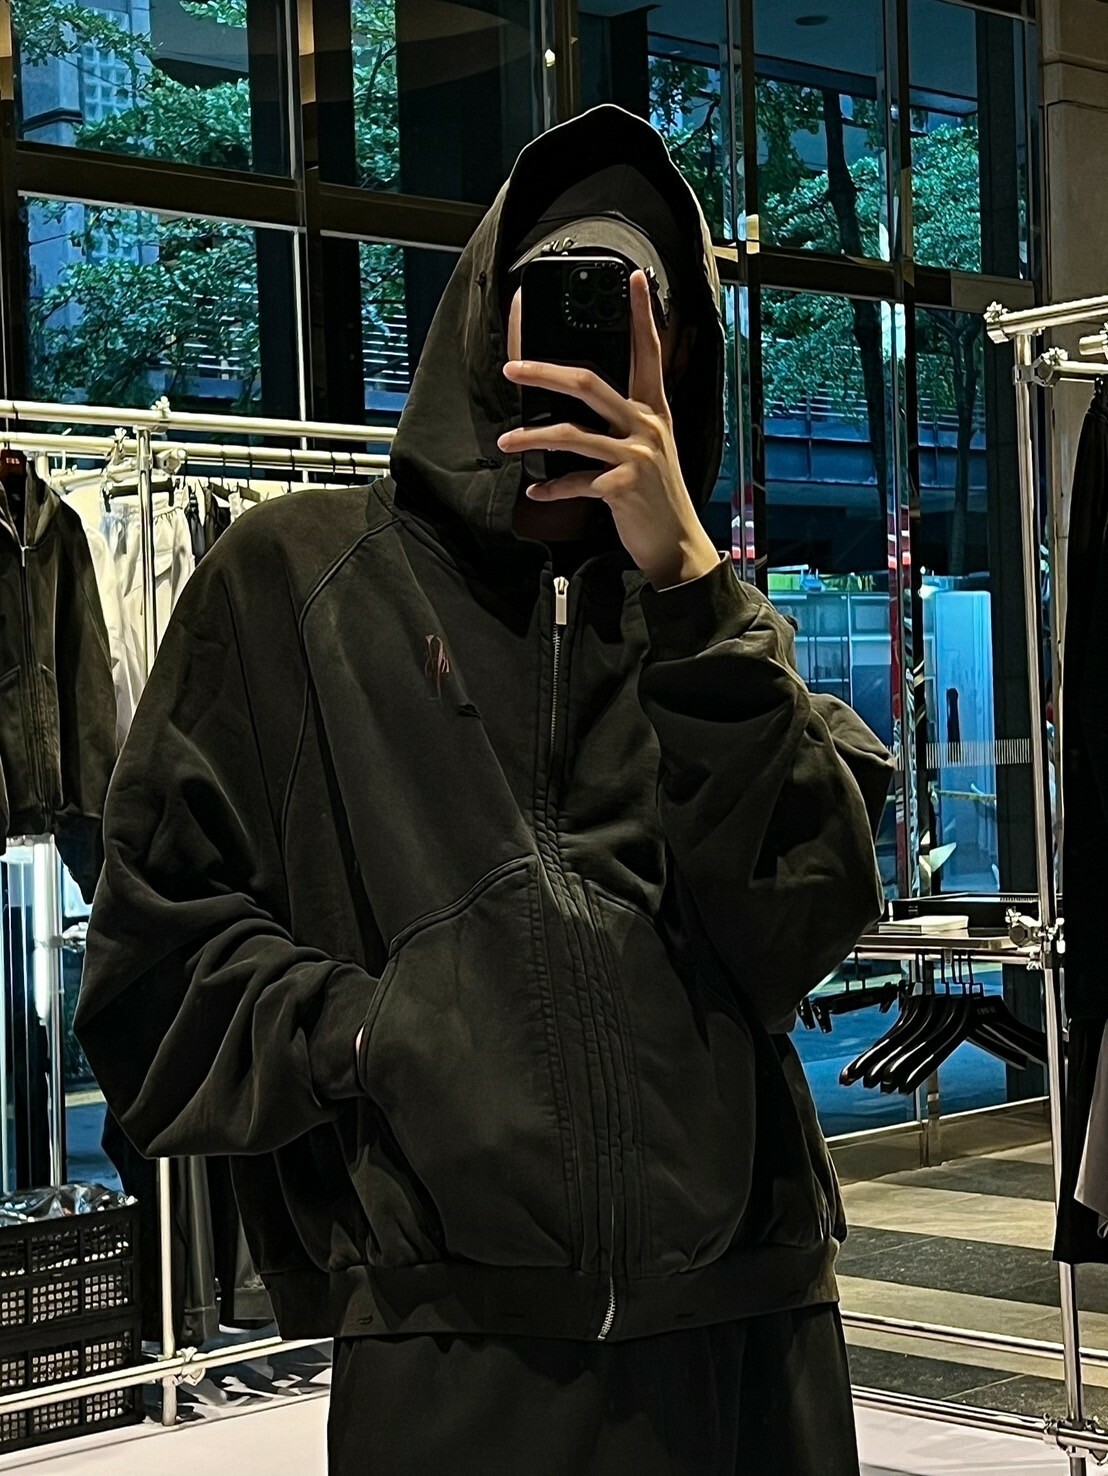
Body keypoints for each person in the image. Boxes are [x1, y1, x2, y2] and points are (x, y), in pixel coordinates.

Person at [75, 103, 894, 1475]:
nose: (588, 349)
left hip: (749, 1342)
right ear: (482, 317)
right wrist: (380, 1038)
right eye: (555, 298)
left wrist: (694, 590)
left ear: (681, 350)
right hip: (450, 1351)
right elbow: (150, 972)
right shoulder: (298, 585)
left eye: (635, 314)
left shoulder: (715, 630)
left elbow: (797, 934)